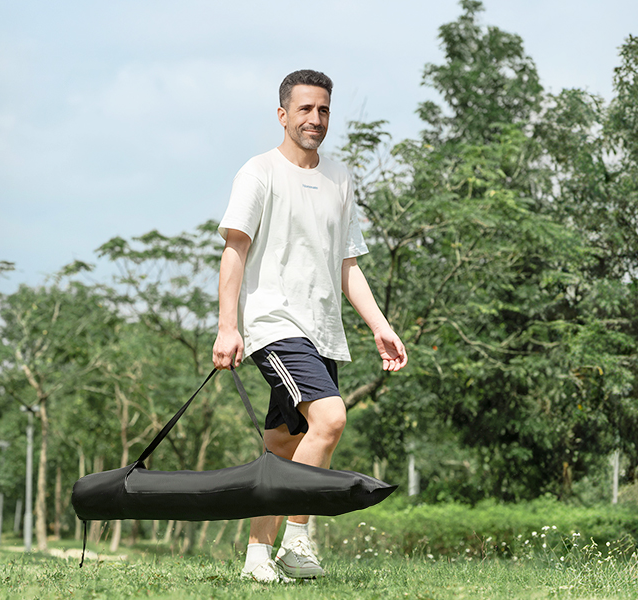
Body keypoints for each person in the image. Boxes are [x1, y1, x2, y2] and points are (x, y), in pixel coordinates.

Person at [212, 69, 408, 583]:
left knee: (282, 444)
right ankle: (297, 542)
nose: (315, 119)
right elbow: (235, 251)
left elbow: (348, 264)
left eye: (322, 110)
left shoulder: (340, 179)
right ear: (282, 114)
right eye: (304, 109)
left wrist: (380, 326)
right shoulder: (258, 173)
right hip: (275, 324)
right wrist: (227, 327)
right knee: (330, 419)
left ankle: (257, 559)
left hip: (323, 330)